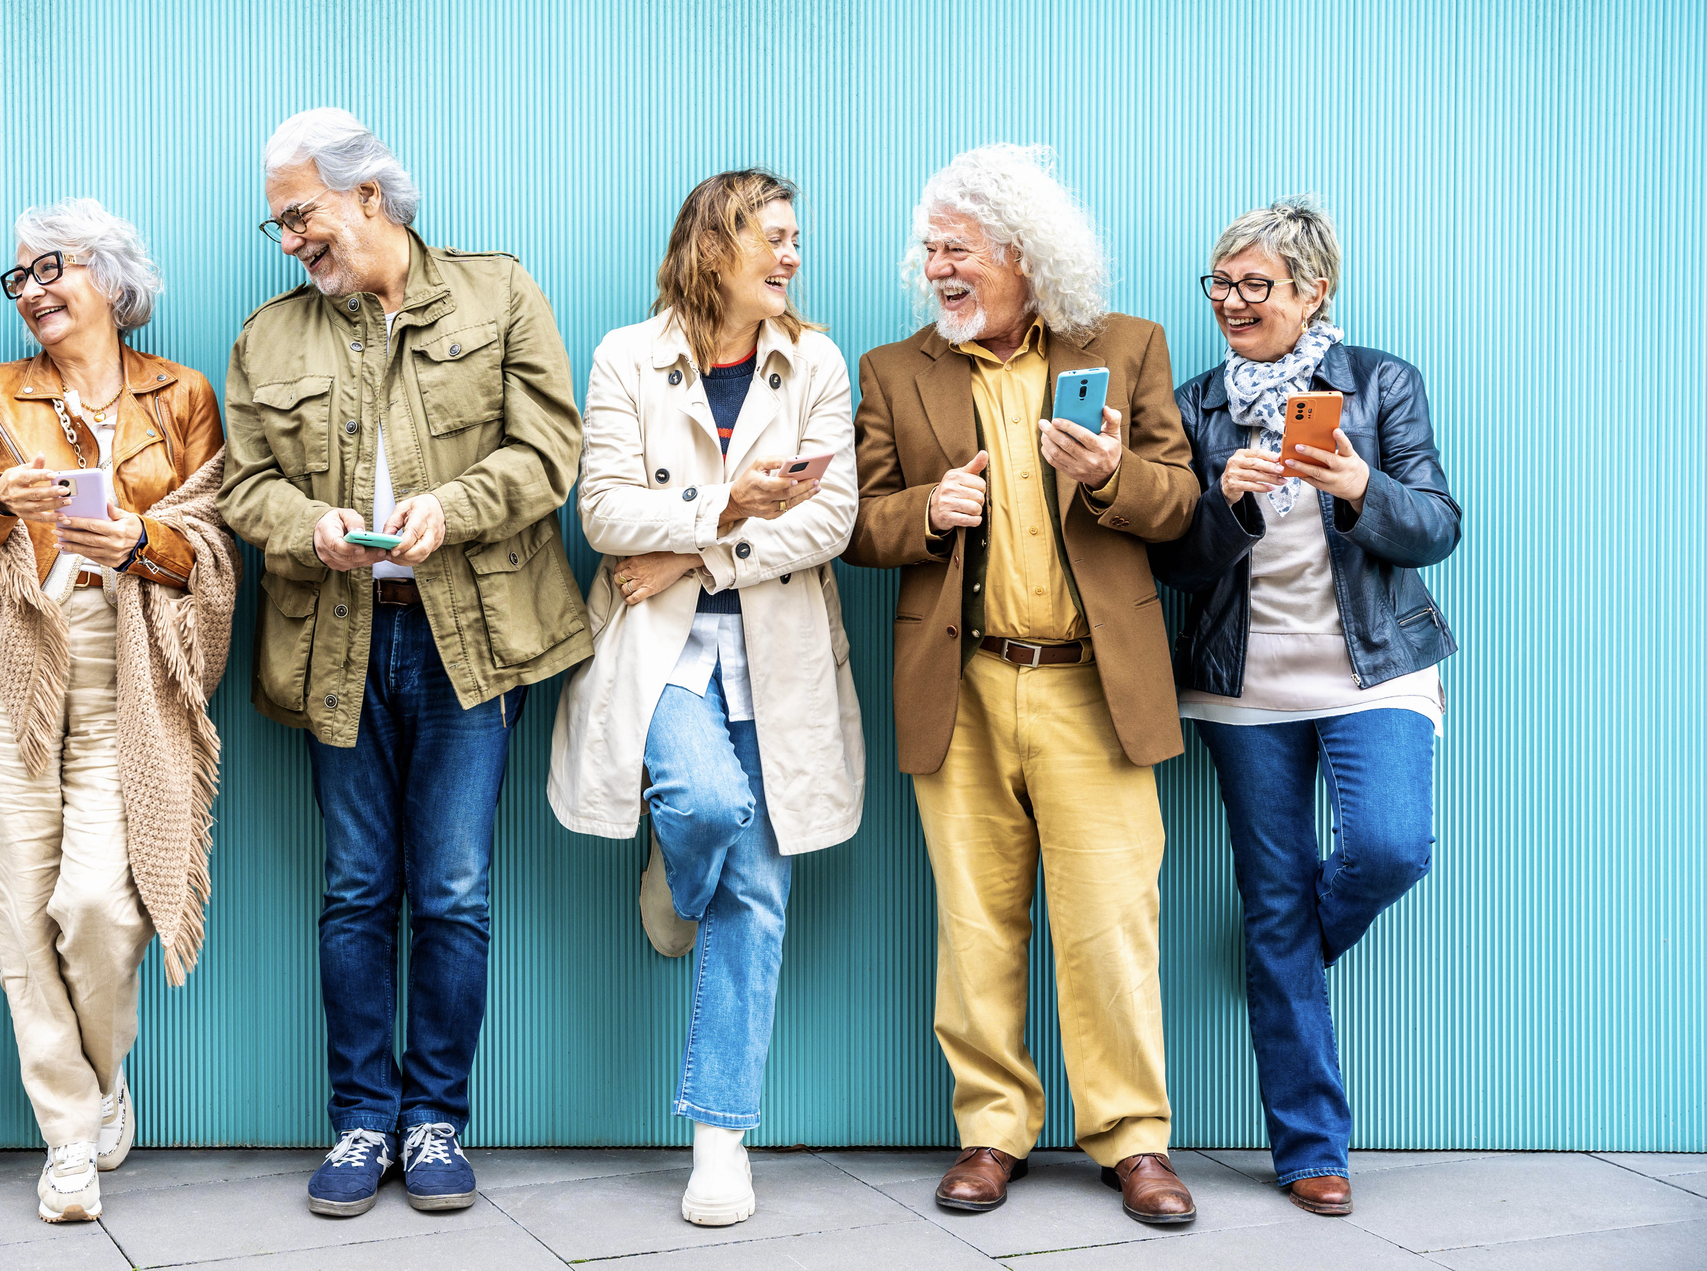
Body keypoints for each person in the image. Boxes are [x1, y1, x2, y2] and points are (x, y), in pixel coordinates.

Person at [219, 107, 592, 1218]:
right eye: (278, 222)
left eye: (302, 215)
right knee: (352, 889)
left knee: (454, 888)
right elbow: (242, 486)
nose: (290, 241)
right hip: (336, 634)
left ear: (369, 195)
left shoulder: (500, 292)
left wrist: (453, 506)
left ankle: (434, 1119)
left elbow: (551, 450)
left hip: (468, 639)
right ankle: (358, 1121)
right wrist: (309, 526)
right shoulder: (266, 336)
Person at [843, 144, 1202, 1224]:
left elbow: (1180, 505)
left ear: (1020, 253)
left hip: (1093, 688)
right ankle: (991, 1131)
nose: (935, 269)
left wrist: (1108, 478)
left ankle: (1132, 1141)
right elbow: (856, 522)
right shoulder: (894, 369)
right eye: (929, 251)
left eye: (954, 249)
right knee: (975, 925)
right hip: (961, 683)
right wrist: (924, 512)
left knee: (1109, 925)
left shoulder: (1126, 348)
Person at [0, 198, 237, 1223]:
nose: (31, 291)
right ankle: (70, 1133)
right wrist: (5, 507)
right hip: (0, 661)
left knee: (96, 905)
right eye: (18, 277)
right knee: (17, 917)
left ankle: (96, 1076)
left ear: (110, 275)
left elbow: (214, 551)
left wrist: (134, 539)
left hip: (130, 666)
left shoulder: (182, 396)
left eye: (49, 267)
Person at [547, 171, 863, 1227]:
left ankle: (719, 1136)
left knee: (758, 892)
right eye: (773, 236)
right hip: (660, 657)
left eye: (796, 239)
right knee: (707, 804)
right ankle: (672, 869)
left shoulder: (812, 360)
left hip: (776, 658)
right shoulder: (625, 357)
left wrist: (690, 554)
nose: (791, 256)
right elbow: (602, 512)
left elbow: (828, 523)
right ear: (715, 241)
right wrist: (722, 510)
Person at [1149, 196, 1459, 1218]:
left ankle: (1292, 949)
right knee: (1271, 899)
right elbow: (1176, 566)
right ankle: (1310, 1145)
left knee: (1387, 846)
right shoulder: (1196, 405)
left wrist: (1360, 483)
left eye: (1255, 285)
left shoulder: (1378, 383)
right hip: (1245, 688)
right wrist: (1226, 506)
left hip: (1375, 670)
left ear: (1311, 290)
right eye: (1220, 283)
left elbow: (1436, 527)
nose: (1231, 303)